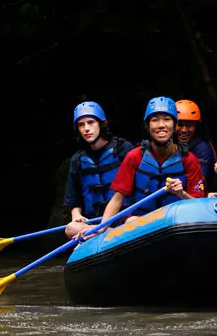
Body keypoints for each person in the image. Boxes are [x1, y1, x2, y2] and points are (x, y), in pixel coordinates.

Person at [96, 96, 205, 228]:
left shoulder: (189, 160)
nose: (161, 125)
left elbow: (199, 206)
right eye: (154, 120)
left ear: (175, 125)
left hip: (176, 222)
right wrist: (101, 229)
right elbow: (117, 199)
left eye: (167, 119)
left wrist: (182, 193)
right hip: (141, 223)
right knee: (130, 221)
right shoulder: (135, 156)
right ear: (147, 126)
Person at [63, 101, 134, 239]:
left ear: (102, 124)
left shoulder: (122, 148)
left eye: (91, 122)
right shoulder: (77, 160)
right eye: (81, 125)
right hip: (93, 221)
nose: (86, 129)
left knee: (134, 222)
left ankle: (103, 232)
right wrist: (76, 215)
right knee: (70, 228)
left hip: (123, 216)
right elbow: (74, 201)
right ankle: (104, 232)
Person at [175, 99, 217, 192]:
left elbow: (199, 182)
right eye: (180, 124)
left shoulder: (202, 148)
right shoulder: (168, 143)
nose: (184, 130)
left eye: (190, 125)